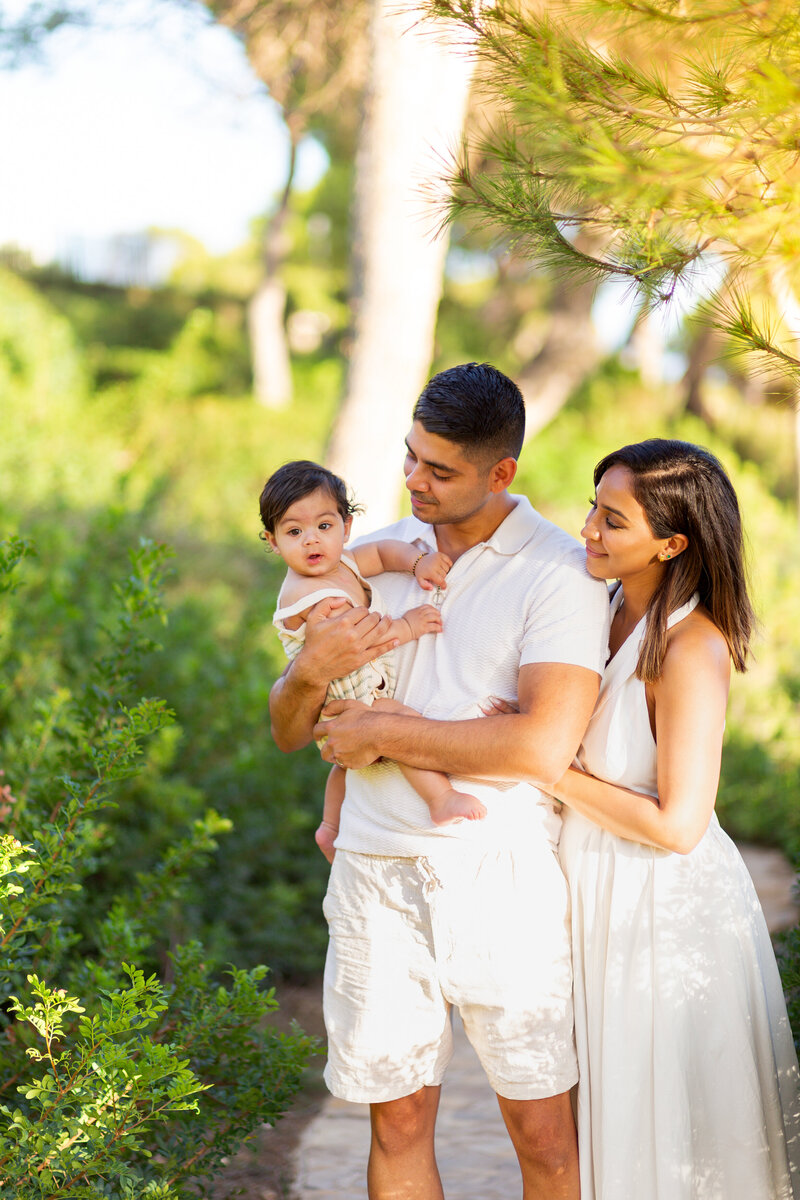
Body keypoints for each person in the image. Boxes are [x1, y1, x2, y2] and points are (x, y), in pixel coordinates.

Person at [269, 362, 610, 1200]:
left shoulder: (560, 574)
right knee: (398, 1120)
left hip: (498, 876)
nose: (414, 481)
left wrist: (386, 730)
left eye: (440, 469)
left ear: (502, 474)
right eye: (410, 458)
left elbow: (540, 747)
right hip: (374, 872)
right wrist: (310, 672)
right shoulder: (356, 558)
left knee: (544, 1136)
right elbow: (288, 729)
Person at [551, 438, 800, 1199]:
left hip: (656, 908)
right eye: (593, 506)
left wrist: (545, 769)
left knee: (661, 1124)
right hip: (584, 889)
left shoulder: (693, 646)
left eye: (612, 520)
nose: (588, 529)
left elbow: (678, 825)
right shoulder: (587, 603)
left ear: (672, 542)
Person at [260, 459, 487, 862]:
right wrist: (409, 627)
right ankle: (441, 797)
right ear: (273, 541)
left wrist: (416, 562)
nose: (312, 541)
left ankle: (330, 829)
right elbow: (363, 641)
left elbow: (381, 554)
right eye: (294, 532)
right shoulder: (312, 597)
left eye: (324, 527)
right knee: (403, 725)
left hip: (348, 695)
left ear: (346, 527)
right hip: (351, 696)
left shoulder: (341, 562)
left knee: (346, 768)